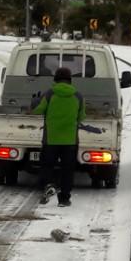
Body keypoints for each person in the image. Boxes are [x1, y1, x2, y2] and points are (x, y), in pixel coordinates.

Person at [33, 66, 85, 206]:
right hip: (70, 140)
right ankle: (64, 199)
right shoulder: (78, 96)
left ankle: (49, 185)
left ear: (55, 79)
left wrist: (35, 102)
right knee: (67, 170)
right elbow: (81, 117)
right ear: (70, 80)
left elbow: (38, 110)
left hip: (51, 139)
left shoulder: (49, 94)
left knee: (47, 165)